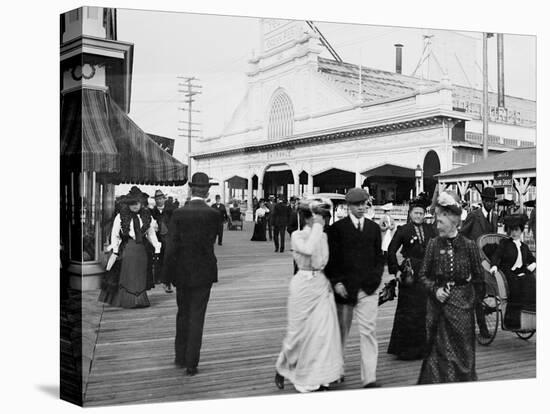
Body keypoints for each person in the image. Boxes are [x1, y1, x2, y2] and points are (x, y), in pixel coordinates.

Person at [275, 200, 344, 392]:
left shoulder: (322, 236)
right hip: (302, 286)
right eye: (320, 217)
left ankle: (317, 378)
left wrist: (331, 282)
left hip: (320, 285)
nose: (323, 221)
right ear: (308, 218)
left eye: (324, 217)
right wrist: (317, 229)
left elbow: (323, 261)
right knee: (297, 334)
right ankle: (283, 367)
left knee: (322, 334)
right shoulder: (297, 235)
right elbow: (307, 250)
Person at [417, 191, 485, 384]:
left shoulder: (469, 245)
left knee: (464, 354)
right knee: (439, 356)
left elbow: (479, 278)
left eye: (440, 222)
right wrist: (435, 290)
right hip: (438, 309)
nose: (437, 226)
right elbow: (422, 275)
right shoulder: (432, 244)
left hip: (463, 309)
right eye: (437, 221)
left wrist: (472, 300)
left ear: (453, 221)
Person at [325, 188, 384, 388]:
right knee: (341, 332)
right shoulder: (337, 229)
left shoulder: (374, 229)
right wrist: (337, 282)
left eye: (363, 204)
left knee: (369, 332)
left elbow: (379, 259)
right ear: (348, 206)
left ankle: (369, 378)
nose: (360, 208)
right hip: (345, 290)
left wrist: (375, 281)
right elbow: (331, 261)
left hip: (368, 289)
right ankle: (336, 371)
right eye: (356, 205)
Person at [163, 172, 221, 376]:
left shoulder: (178, 214)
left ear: (190, 189)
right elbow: (211, 242)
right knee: (198, 316)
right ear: (207, 191)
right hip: (204, 272)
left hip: (182, 271)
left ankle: (179, 357)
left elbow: (170, 249)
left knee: (183, 313)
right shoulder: (214, 214)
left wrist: (166, 277)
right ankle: (191, 363)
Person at [387, 193, 435, 360]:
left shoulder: (430, 229)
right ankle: (405, 350)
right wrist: (396, 270)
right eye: (416, 213)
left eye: (421, 213)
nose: (419, 216)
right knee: (408, 311)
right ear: (410, 214)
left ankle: (422, 349)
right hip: (409, 274)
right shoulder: (403, 230)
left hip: (426, 273)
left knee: (423, 310)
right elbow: (391, 250)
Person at [99, 186, 161, 309]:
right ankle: (128, 301)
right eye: (131, 203)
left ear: (141, 203)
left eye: (136, 203)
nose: (134, 206)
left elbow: (151, 234)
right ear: (127, 204)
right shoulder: (120, 216)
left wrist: (157, 247)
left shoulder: (146, 216)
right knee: (128, 274)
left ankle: (140, 300)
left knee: (140, 274)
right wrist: (115, 250)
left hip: (141, 249)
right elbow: (115, 234)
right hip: (127, 248)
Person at [460, 186, 498, 338]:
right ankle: (482, 328)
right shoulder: (474, 216)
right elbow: (462, 234)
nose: (490, 204)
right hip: (474, 260)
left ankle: (483, 315)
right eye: (487, 201)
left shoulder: (494, 217)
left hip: (488, 260)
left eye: (492, 201)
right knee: (477, 295)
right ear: (483, 201)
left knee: (483, 293)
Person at [490, 214, 536, 329]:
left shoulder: (524, 246)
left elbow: (532, 259)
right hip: (508, 271)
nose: (514, 233)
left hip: (521, 271)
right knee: (516, 285)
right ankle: (512, 321)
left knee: (531, 281)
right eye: (511, 230)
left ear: (521, 230)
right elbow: (497, 255)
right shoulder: (505, 244)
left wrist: (534, 264)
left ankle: (529, 319)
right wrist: (494, 265)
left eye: (516, 230)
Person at [150, 189, 174, 293]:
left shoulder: (171, 211)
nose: (159, 201)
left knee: (168, 258)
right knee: (157, 258)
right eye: (157, 199)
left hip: (168, 238)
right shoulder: (152, 212)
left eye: (161, 198)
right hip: (156, 238)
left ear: (164, 199)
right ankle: (157, 278)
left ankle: (167, 280)